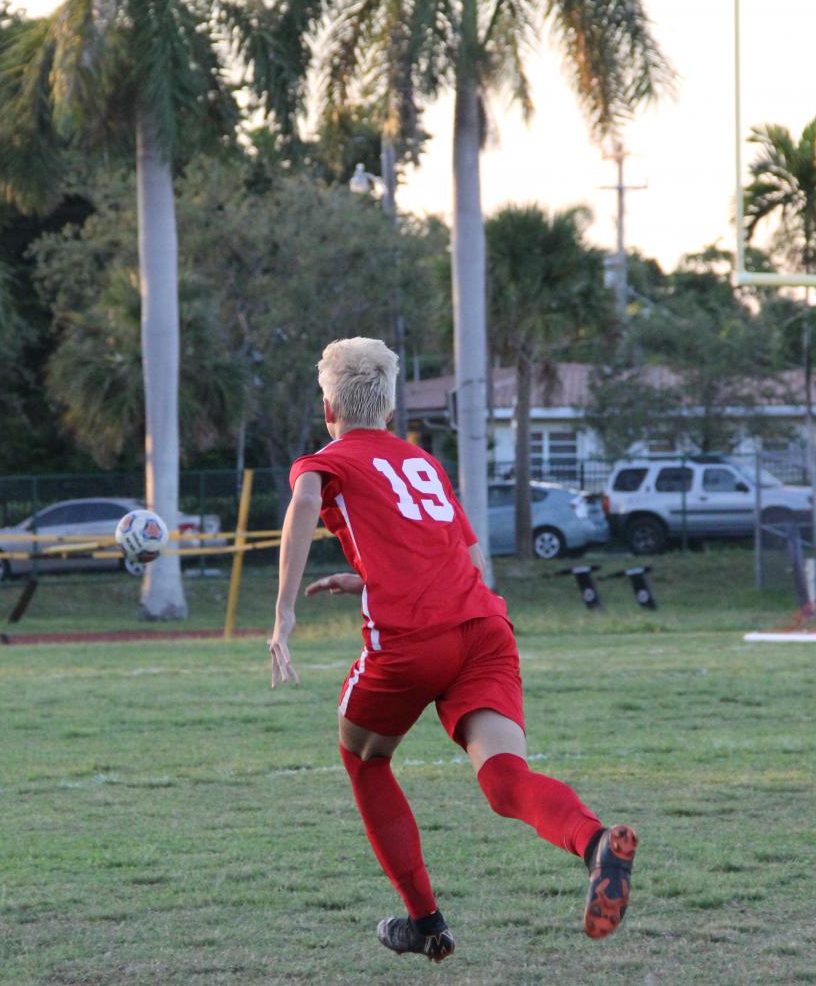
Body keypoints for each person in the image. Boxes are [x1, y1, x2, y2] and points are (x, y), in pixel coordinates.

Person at [268, 337, 636, 962]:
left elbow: (304, 501)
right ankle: (595, 840)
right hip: (484, 630)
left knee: (364, 759)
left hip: (413, 640)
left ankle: (426, 924)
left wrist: (283, 609)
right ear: (389, 413)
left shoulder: (323, 460)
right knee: (503, 781)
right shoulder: (421, 463)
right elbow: (466, 557)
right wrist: (370, 575)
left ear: (329, 408)